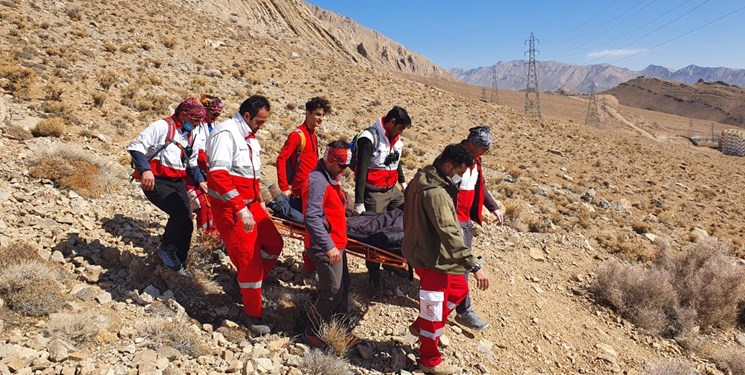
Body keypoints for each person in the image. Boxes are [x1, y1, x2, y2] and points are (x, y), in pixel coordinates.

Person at [402, 144, 490, 375]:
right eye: (459, 172)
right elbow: (449, 232)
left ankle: (421, 326)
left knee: (459, 289)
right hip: (431, 258)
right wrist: (474, 265)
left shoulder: (425, 177)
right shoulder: (436, 192)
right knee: (434, 309)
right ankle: (429, 361)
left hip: (432, 252)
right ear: (448, 166)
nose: (460, 177)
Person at [206, 95, 284, 335]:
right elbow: (218, 175)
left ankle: (249, 284)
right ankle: (253, 314)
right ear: (247, 116)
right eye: (259, 121)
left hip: (250, 205)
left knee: (273, 243)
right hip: (232, 209)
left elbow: (249, 173)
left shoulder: (250, 137)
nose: (262, 126)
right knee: (249, 259)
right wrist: (241, 208)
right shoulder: (226, 134)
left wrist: (258, 197)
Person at [128, 98, 207, 275]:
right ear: (182, 114)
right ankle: (166, 248)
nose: (195, 125)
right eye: (193, 120)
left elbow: (192, 163)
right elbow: (135, 146)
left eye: (198, 122)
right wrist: (145, 171)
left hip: (178, 181)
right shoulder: (162, 126)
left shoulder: (192, 135)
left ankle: (179, 263)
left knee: (187, 221)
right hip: (156, 180)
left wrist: (201, 181)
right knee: (178, 213)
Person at [301, 140, 358, 348]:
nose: (344, 170)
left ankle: (341, 329)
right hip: (325, 246)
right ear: (330, 160)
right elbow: (312, 218)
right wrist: (328, 246)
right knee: (332, 291)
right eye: (341, 166)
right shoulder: (317, 181)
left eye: (346, 166)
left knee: (343, 288)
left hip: (336, 243)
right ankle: (312, 331)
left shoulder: (331, 177)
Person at [352, 106, 411, 296]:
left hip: (392, 189)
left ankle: (393, 259)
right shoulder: (369, 138)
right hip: (374, 192)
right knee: (374, 234)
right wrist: (359, 201)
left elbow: (396, 160)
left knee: (408, 213)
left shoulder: (395, 139)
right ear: (392, 122)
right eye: (400, 128)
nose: (401, 132)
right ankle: (374, 275)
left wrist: (402, 182)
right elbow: (361, 171)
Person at [453, 125, 502, 330]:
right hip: (451, 220)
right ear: (473, 145)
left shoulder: (476, 161)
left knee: (459, 264)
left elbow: (480, 187)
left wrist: (494, 207)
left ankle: (454, 305)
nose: (485, 153)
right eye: (483, 149)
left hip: (464, 221)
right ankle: (463, 310)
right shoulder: (453, 159)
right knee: (463, 263)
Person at [275, 97, 330, 276]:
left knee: (311, 230)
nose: (320, 118)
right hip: (300, 192)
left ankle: (310, 267)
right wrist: (284, 186)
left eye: (322, 115)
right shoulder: (297, 135)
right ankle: (309, 269)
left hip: (310, 191)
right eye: (317, 114)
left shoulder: (313, 135)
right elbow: (281, 159)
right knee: (310, 230)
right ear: (308, 113)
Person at [186, 94, 223, 232]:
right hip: (191, 171)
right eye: (214, 113)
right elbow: (197, 155)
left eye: (218, 114)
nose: (216, 116)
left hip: (207, 171)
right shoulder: (195, 126)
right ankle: (206, 237)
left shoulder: (212, 126)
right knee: (203, 205)